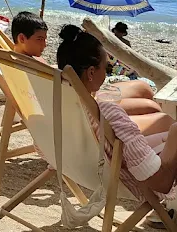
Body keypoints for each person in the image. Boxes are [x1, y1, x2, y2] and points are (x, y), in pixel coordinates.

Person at [56, 25, 177, 196]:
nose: (106, 74)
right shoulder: (107, 113)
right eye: (106, 67)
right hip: (128, 181)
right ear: (91, 72)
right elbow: (161, 182)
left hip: (84, 170)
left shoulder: (56, 104)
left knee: (165, 133)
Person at [58, 24, 172, 136]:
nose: (106, 71)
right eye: (106, 67)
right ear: (91, 73)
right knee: (165, 120)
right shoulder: (91, 118)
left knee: (143, 88)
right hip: (94, 124)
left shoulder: (58, 82)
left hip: (82, 104)